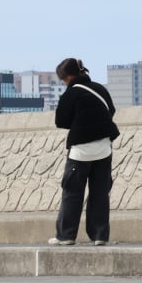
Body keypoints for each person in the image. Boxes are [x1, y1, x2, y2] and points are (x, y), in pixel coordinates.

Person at [51, 57, 119, 246]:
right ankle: (99, 236)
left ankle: (66, 235)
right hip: (104, 148)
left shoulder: (71, 94)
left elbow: (61, 121)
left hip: (81, 151)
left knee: (72, 192)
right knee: (100, 193)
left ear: (67, 77)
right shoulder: (100, 89)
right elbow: (111, 111)